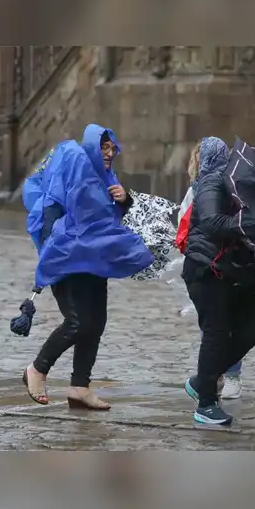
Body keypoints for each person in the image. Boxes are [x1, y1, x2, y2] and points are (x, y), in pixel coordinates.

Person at [21, 124, 153, 410]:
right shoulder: (74, 165)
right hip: (68, 258)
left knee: (96, 323)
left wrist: (124, 200)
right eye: (103, 147)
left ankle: (80, 386)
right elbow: (53, 208)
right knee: (78, 321)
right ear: (93, 146)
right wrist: (49, 251)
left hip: (96, 258)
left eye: (111, 148)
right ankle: (37, 369)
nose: (108, 153)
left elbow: (105, 217)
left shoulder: (106, 176)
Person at [180, 136, 255, 425]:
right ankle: (205, 404)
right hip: (206, 270)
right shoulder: (211, 183)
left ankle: (202, 380)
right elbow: (213, 222)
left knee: (250, 331)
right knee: (215, 333)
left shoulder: (231, 183)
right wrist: (248, 222)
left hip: (232, 270)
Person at [183, 141, 244, 400]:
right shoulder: (202, 189)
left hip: (227, 264)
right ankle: (209, 386)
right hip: (210, 266)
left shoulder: (229, 186)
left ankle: (217, 376)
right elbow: (205, 223)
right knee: (215, 328)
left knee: (235, 327)